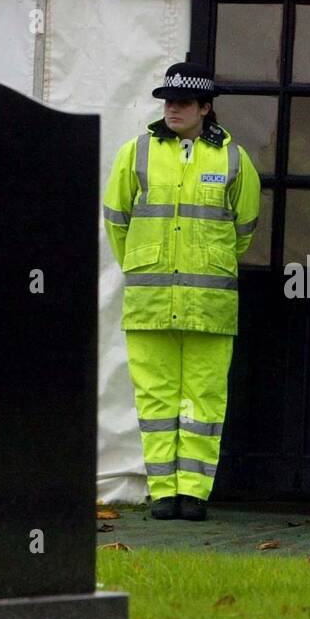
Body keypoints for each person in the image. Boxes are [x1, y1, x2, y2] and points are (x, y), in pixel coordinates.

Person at [102, 62, 261, 521]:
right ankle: (163, 491)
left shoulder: (233, 158)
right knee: (155, 401)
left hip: (209, 307)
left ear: (205, 108)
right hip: (150, 303)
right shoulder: (138, 152)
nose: (173, 108)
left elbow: (244, 227)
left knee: (203, 398)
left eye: (184, 102)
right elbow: (116, 220)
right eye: (168, 100)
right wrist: (145, 264)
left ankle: (194, 492)